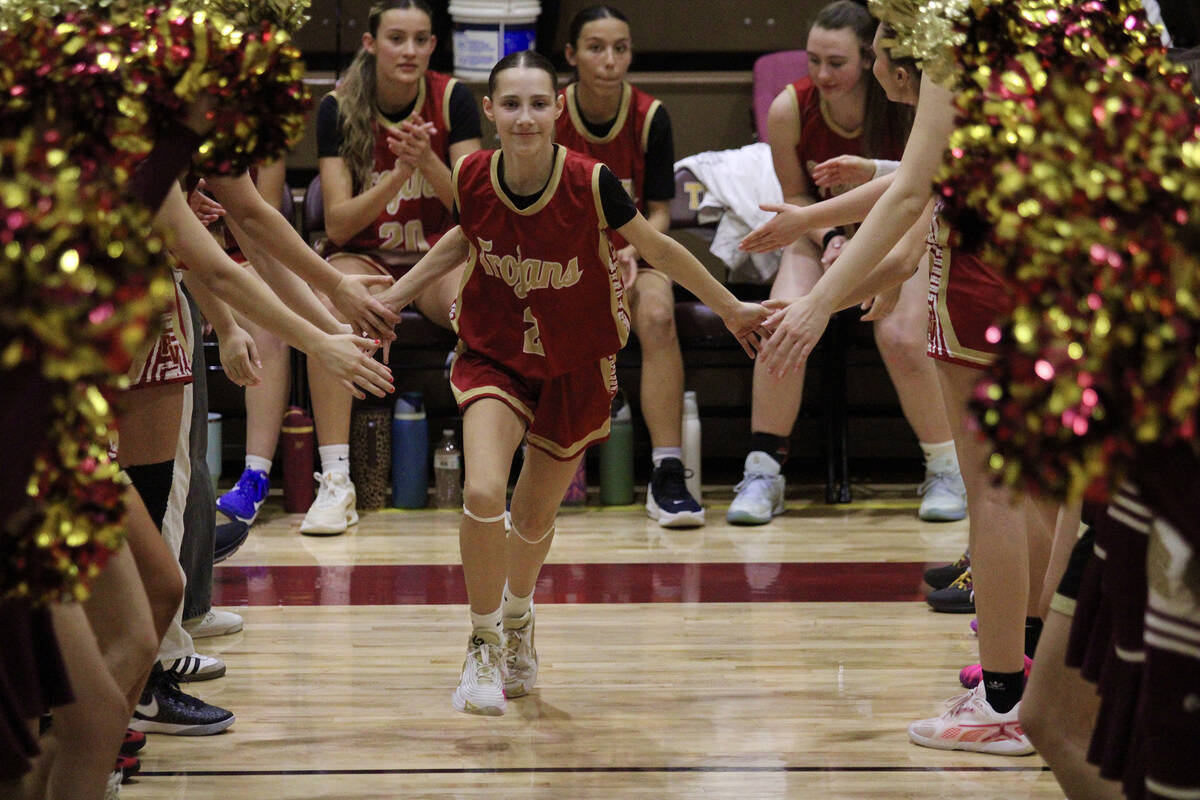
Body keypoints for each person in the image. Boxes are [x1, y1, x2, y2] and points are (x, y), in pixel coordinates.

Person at [375, 50, 769, 715]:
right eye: (510, 104)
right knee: (479, 490)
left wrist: (730, 307)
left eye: (536, 104)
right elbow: (459, 239)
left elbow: (661, 248)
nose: (524, 117)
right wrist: (392, 298)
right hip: (495, 353)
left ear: (556, 110)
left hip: (576, 362)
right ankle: (481, 644)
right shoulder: (472, 172)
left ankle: (520, 617)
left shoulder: (591, 182)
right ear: (492, 111)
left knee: (532, 518)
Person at [741, 15, 1059, 755]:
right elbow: (919, 189)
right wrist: (818, 230)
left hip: (982, 285)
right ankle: (1031, 677)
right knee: (1042, 490)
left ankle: (1004, 696)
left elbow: (916, 193)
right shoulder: (1039, 37)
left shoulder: (957, 45)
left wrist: (820, 301)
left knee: (997, 493)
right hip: (1050, 273)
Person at [726, 0, 964, 527]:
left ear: (875, 61)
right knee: (779, 317)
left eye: (836, 63)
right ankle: (763, 468)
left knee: (902, 335)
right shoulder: (791, 108)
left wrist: (846, 281)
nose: (822, 74)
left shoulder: (913, 98)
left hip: (910, 231)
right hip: (823, 236)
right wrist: (828, 234)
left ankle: (946, 466)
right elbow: (799, 197)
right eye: (813, 61)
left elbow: (912, 200)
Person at [302, 0, 483, 535]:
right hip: (366, 256)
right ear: (370, 44)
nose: (409, 51)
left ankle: (495, 474)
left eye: (421, 39)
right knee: (333, 307)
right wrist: (397, 174)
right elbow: (337, 224)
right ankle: (336, 481)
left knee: (479, 304)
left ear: (433, 45)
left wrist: (429, 162)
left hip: (435, 259)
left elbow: (474, 210)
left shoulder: (453, 99)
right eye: (396, 39)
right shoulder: (338, 107)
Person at [554, 5, 703, 527]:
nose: (610, 60)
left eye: (621, 48)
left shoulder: (650, 115)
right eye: (596, 47)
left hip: (633, 254)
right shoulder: (547, 112)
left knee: (659, 316)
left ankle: (666, 474)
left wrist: (633, 250)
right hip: (562, 260)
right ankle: (530, 467)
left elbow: (659, 209)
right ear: (572, 55)